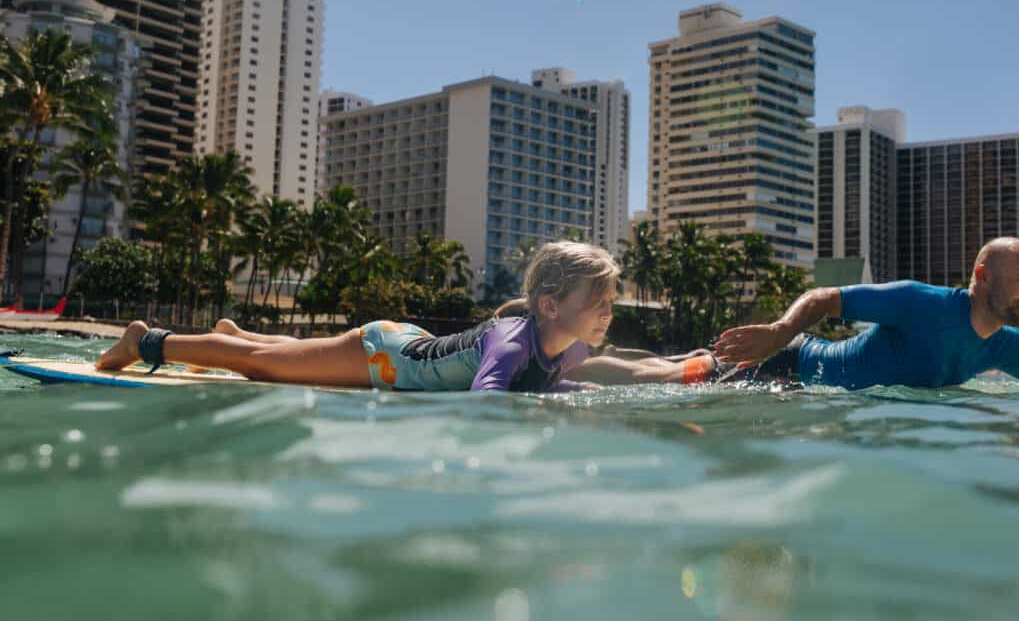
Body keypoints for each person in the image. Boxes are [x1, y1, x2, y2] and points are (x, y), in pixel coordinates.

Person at [97, 241, 723, 391]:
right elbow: (487, 400)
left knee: (274, 358)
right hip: (384, 356)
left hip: (415, 346)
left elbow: (607, 367)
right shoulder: (511, 343)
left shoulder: (564, 344)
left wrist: (683, 370)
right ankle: (147, 339)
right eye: (600, 304)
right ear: (550, 305)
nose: (608, 314)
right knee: (261, 368)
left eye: (612, 303)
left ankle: (235, 331)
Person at [714, 237, 1019, 396]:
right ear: (983, 276)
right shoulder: (921, 302)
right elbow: (825, 297)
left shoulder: (1007, 346)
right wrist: (778, 331)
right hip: (789, 365)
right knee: (674, 375)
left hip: (809, 394)